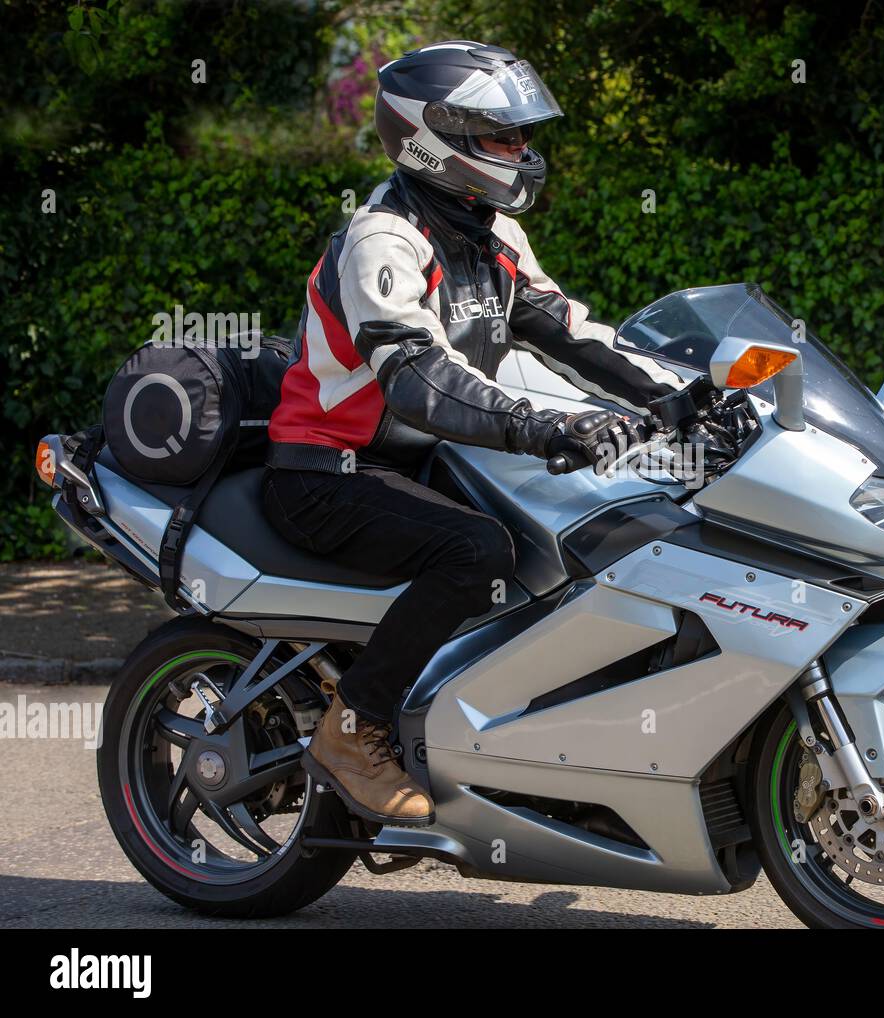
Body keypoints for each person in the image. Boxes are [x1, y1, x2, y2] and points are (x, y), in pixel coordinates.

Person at [262, 41, 682, 825]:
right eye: (501, 137)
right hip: (327, 471)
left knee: (587, 525)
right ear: (436, 136)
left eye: (521, 136)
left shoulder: (489, 235)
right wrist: (546, 423)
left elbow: (575, 332)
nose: (522, 153)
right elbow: (418, 381)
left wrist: (686, 397)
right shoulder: (385, 240)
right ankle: (353, 732)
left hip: (412, 464)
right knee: (478, 550)